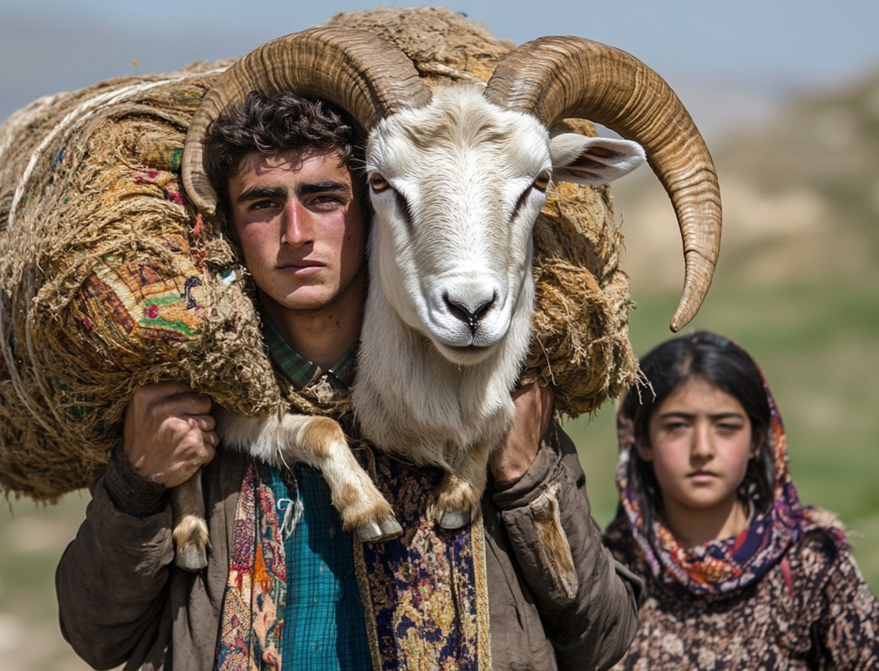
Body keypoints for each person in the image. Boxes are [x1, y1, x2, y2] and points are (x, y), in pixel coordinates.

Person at [56, 91, 643, 671]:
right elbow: (100, 639)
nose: (296, 232)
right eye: (262, 204)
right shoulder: (190, 410)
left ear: (368, 203)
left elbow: (601, 639)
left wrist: (525, 480)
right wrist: (136, 485)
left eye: (323, 197)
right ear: (230, 227)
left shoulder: (481, 405)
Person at [602, 330, 879, 670]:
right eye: (678, 426)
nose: (702, 449)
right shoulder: (612, 574)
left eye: (726, 426)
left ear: (757, 440)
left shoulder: (807, 564)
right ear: (642, 440)